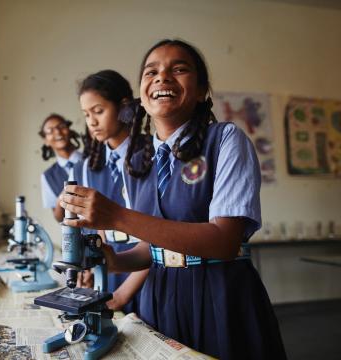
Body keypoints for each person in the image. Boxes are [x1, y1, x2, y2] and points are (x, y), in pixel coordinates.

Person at [60, 39, 286, 359]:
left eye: (179, 69)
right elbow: (154, 247)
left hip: (217, 297)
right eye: (151, 71)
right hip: (160, 299)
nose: (162, 77)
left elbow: (223, 240)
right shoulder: (146, 160)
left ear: (201, 90)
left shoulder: (225, 140)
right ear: (142, 93)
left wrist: (116, 215)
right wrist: (114, 259)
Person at [73, 69, 149, 314]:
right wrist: (90, 269)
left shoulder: (153, 155)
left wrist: (124, 294)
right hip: (111, 274)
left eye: (98, 111)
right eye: (86, 115)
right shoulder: (89, 168)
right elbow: (98, 233)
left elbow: (162, 236)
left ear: (124, 108)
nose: (92, 122)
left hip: (151, 273)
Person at [39, 114, 82, 222]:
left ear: (69, 130)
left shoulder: (92, 160)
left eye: (61, 126)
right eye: (50, 131)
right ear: (46, 141)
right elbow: (58, 217)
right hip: (76, 234)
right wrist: (61, 198)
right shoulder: (48, 176)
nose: (57, 132)